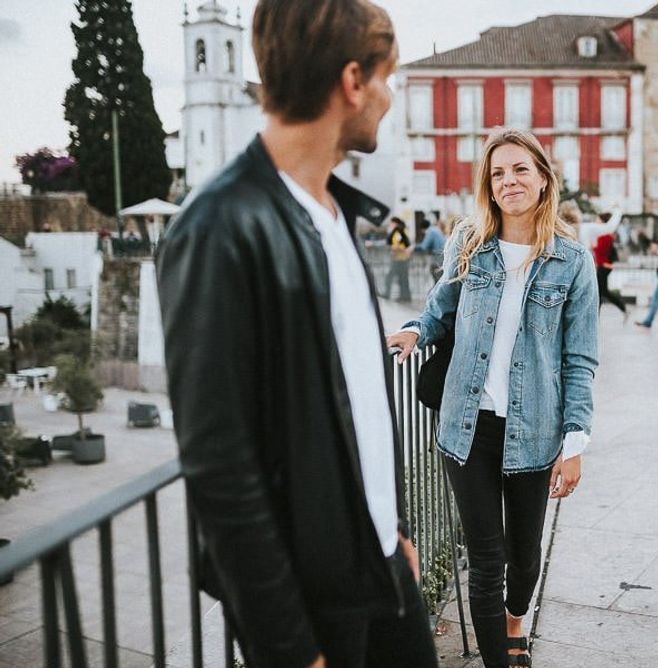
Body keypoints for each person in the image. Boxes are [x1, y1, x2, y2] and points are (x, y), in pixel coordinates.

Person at [156, 2, 438, 667]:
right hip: (311, 608)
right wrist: (287, 645)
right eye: (386, 78)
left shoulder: (332, 211)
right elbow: (219, 466)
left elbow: (360, 401)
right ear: (351, 83)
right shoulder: (218, 228)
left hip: (379, 567)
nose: (389, 97)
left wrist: (392, 529)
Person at [386, 128, 599, 668]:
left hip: (535, 432)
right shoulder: (468, 243)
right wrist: (415, 332)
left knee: (524, 558)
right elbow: (439, 310)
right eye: (498, 173)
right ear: (488, 184)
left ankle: (514, 624)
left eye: (520, 169)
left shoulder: (572, 261)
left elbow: (580, 359)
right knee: (486, 560)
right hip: (465, 426)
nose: (509, 181)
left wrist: (575, 442)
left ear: (544, 178)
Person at [592, 221, 629, 321]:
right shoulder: (606, 235)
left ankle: (622, 308)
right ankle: (622, 308)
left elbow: (600, 251)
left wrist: (593, 247)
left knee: (601, 292)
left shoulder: (605, 236)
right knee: (601, 291)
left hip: (604, 266)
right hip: (604, 266)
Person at [384, 216, 412, 301]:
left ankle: (389, 294)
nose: (390, 225)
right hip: (399, 259)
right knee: (402, 279)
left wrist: (394, 248)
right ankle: (405, 296)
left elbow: (403, 246)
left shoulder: (399, 233)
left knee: (393, 277)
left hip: (400, 259)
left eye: (392, 223)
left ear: (396, 223)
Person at [411, 217, 447, 282]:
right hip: (442, 258)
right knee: (439, 277)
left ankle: (437, 291)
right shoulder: (435, 229)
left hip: (438, 259)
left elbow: (424, 246)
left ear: (422, 229)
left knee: (436, 275)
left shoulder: (431, 232)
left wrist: (413, 247)